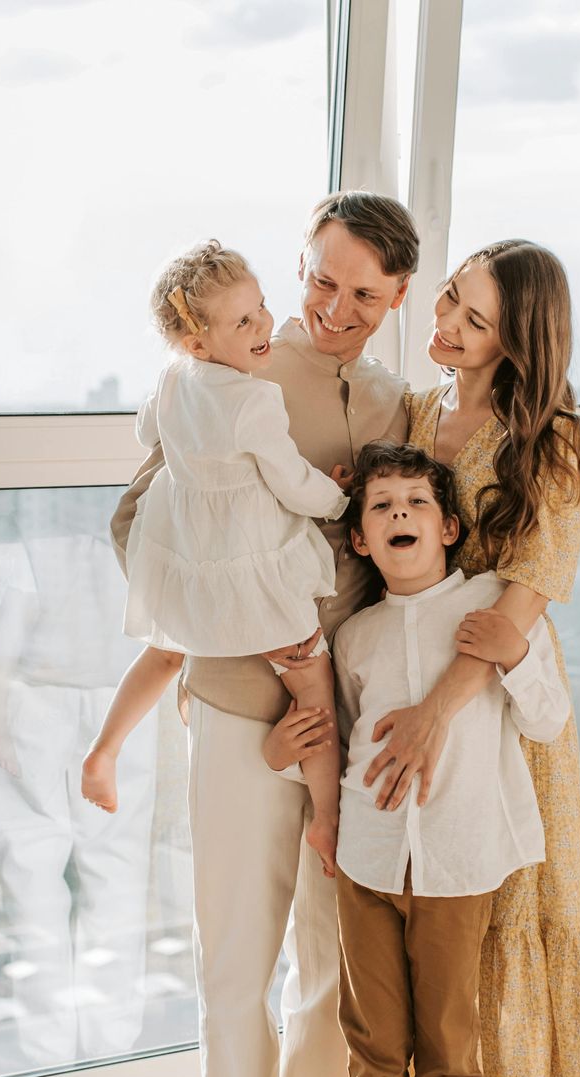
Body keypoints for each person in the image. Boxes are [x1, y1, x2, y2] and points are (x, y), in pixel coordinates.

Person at [110, 192, 417, 1077]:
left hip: (346, 721)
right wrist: (248, 663)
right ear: (299, 270)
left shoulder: (389, 401)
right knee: (237, 952)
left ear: (396, 297)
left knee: (333, 960)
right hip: (244, 711)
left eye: (364, 292)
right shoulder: (227, 377)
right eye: (322, 279)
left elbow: (390, 547)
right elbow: (145, 524)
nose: (335, 306)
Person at [353, 239, 580, 1077]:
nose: (447, 326)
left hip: (505, 706)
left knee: (517, 913)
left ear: (518, 336)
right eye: (447, 303)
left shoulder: (552, 439)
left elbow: (511, 613)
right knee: (450, 929)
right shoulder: (425, 412)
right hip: (425, 676)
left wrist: (439, 711)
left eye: (473, 319)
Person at [318, 441, 571, 1077]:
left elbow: (544, 720)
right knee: (375, 1050)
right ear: (360, 540)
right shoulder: (352, 637)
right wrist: (293, 755)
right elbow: (351, 744)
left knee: (450, 1050)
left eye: (415, 504)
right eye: (381, 506)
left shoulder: (494, 607)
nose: (397, 515)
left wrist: (515, 651)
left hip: (461, 867)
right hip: (368, 861)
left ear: (451, 527)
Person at [84, 241, 348, 868]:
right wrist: (340, 500)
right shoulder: (256, 401)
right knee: (313, 680)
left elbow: (146, 431)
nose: (262, 326)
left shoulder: (173, 377)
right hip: (254, 566)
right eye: (243, 322)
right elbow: (290, 481)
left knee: (166, 650)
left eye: (259, 309)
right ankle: (328, 818)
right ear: (198, 342)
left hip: (187, 553)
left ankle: (105, 749)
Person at [0, 490, 157, 1072]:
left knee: (32, 878)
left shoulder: (36, 538)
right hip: (124, 704)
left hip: (38, 702)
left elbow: (7, 630)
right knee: (117, 876)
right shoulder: (136, 536)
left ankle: (46, 1052)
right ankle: (111, 1041)